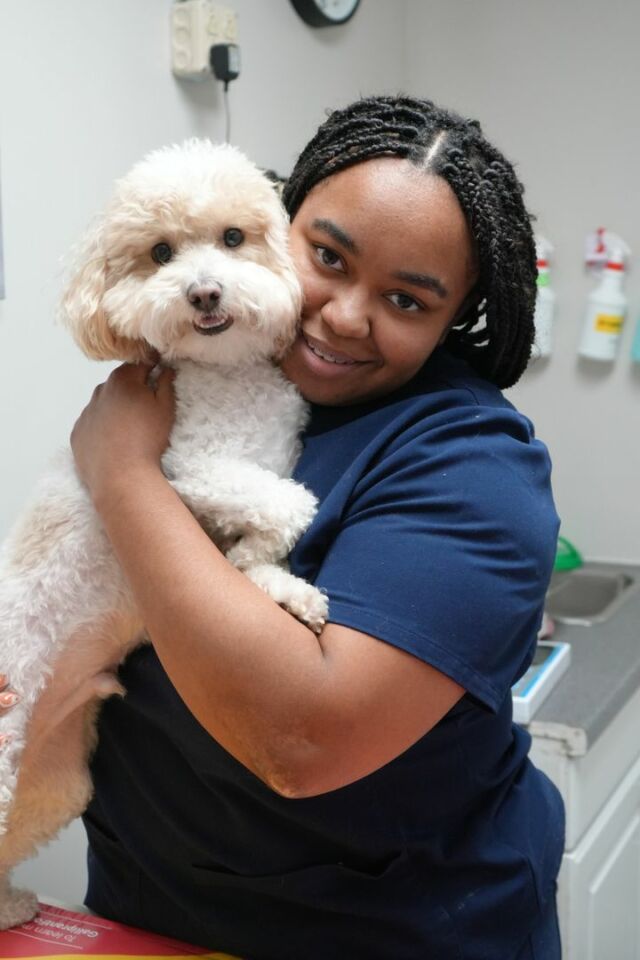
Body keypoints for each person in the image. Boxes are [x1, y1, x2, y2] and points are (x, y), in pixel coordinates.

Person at [18, 95, 566, 958]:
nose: (347, 315)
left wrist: (123, 474)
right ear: (278, 220)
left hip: (391, 936)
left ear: (451, 319)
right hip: (151, 912)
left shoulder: (472, 469)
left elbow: (302, 739)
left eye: (407, 300)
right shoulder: (201, 366)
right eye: (328, 257)